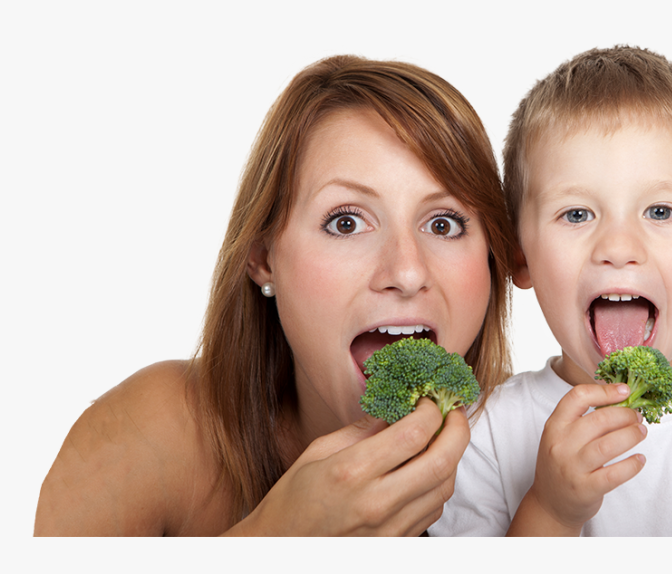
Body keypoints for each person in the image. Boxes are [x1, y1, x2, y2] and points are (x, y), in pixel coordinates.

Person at [34, 55, 516, 536]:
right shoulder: (152, 433)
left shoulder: (535, 459)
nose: (407, 272)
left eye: (443, 223)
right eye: (346, 222)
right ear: (263, 258)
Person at [429, 46, 672, 536]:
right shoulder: (481, 432)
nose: (618, 248)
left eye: (660, 212)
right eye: (576, 214)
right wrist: (550, 512)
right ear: (520, 255)